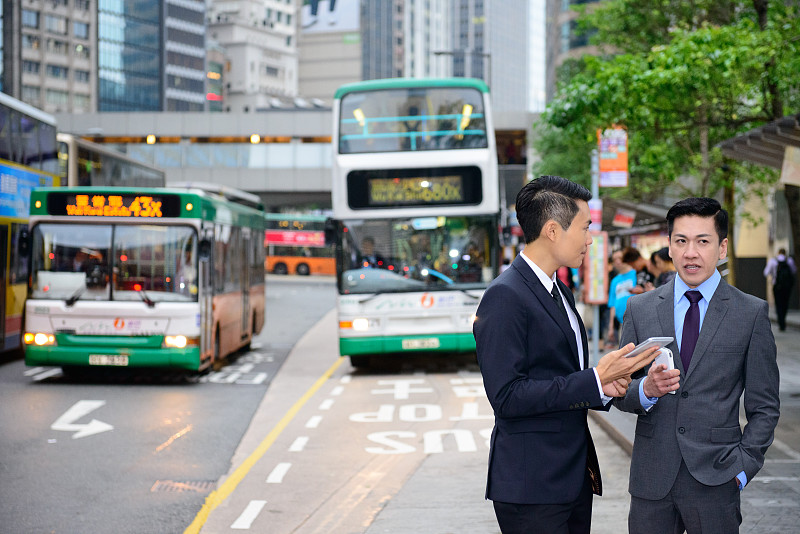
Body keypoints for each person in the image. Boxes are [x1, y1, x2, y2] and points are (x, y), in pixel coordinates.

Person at [473, 175, 659, 534]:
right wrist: (594, 379)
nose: (590, 239)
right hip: (532, 486)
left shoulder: (560, 290)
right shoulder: (505, 296)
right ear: (553, 230)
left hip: (572, 477)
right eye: (585, 227)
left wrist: (614, 383)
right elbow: (507, 397)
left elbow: (561, 376)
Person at [614, 197, 780, 534]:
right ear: (670, 247)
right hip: (651, 482)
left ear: (722, 248)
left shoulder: (750, 313)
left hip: (718, 480)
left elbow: (765, 407)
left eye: (702, 241)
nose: (691, 252)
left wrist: (743, 467)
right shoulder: (640, 309)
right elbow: (618, 390)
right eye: (681, 241)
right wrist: (645, 390)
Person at [606, 248, 637, 344]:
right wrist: (611, 327)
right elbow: (612, 305)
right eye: (615, 259)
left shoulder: (636, 274)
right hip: (621, 324)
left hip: (637, 322)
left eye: (620, 258)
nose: (618, 261)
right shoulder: (615, 280)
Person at [763, 247, 796, 331]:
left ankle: (781, 323)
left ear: (778, 253)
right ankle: (783, 320)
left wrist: (773, 275)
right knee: (785, 303)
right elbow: (793, 271)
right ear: (785, 253)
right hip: (787, 286)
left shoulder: (773, 261)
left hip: (777, 286)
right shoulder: (789, 261)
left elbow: (766, 272)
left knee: (778, 304)